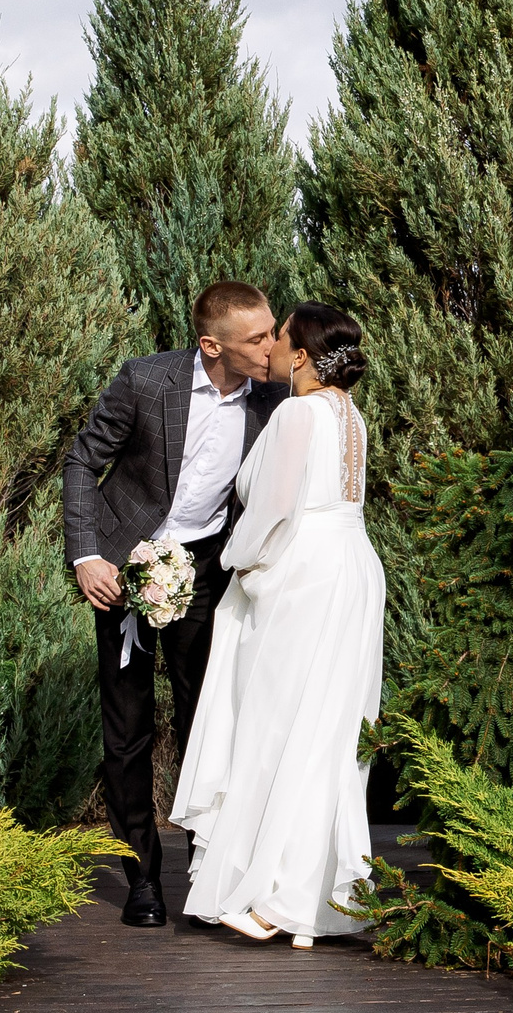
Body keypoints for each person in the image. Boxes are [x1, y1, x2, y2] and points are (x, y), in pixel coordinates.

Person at [61, 281, 288, 928]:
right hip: (122, 568)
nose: (270, 345)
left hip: (206, 573)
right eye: (257, 337)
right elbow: (83, 462)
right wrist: (87, 556)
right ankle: (141, 877)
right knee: (127, 730)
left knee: (207, 719)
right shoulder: (145, 381)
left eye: (272, 331)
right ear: (212, 345)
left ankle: (204, 867)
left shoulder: (273, 400)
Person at [171, 302, 386, 947]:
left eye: (280, 336)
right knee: (326, 729)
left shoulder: (296, 412)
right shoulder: (353, 416)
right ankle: (310, 903)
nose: (269, 347)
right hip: (352, 566)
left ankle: (273, 897)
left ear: (300, 356)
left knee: (277, 723)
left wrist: (240, 568)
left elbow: (272, 508)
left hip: (304, 574)